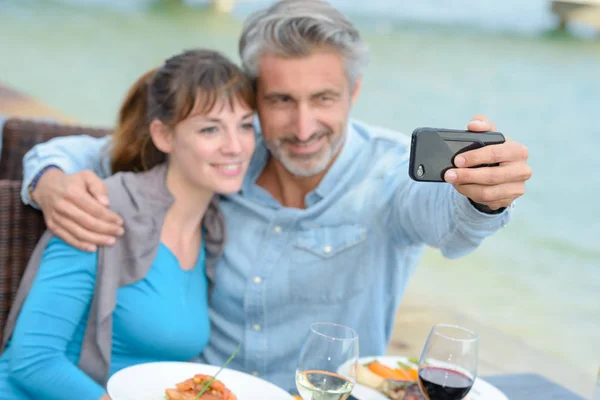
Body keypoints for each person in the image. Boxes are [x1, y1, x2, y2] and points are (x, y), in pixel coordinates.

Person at [20, 0, 531, 391]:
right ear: (256, 98)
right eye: (281, 101)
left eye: (323, 99)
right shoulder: (232, 154)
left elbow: (447, 218)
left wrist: (484, 198)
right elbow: (91, 150)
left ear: (353, 93)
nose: (304, 126)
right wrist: (49, 180)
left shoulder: (387, 172)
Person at [0, 49, 256, 399]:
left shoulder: (212, 230)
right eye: (210, 129)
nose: (236, 146)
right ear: (164, 136)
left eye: (245, 125)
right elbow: (32, 361)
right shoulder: (102, 209)